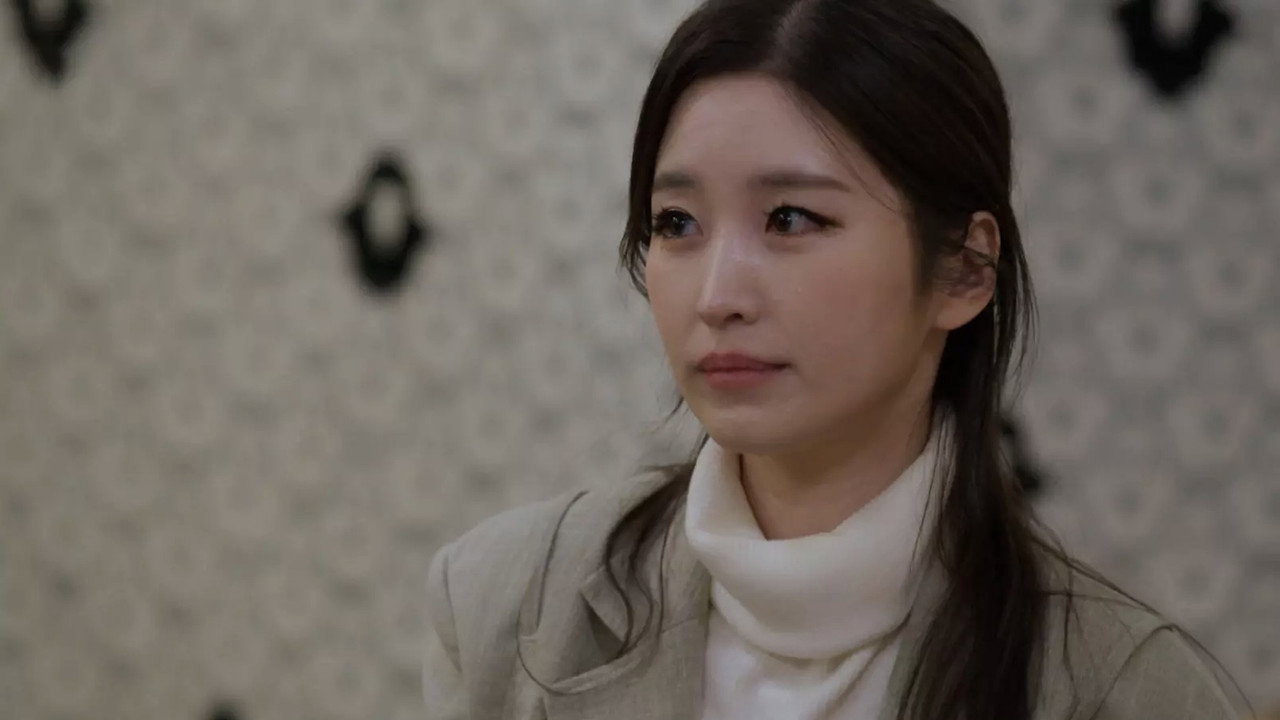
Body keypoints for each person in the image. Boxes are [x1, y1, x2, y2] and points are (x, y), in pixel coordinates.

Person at [422, 0, 1247, 718]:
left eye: (790, 218)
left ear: (964, 269)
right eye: (676, 223)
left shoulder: (1128, 689)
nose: (717, 296)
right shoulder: (507, 604)